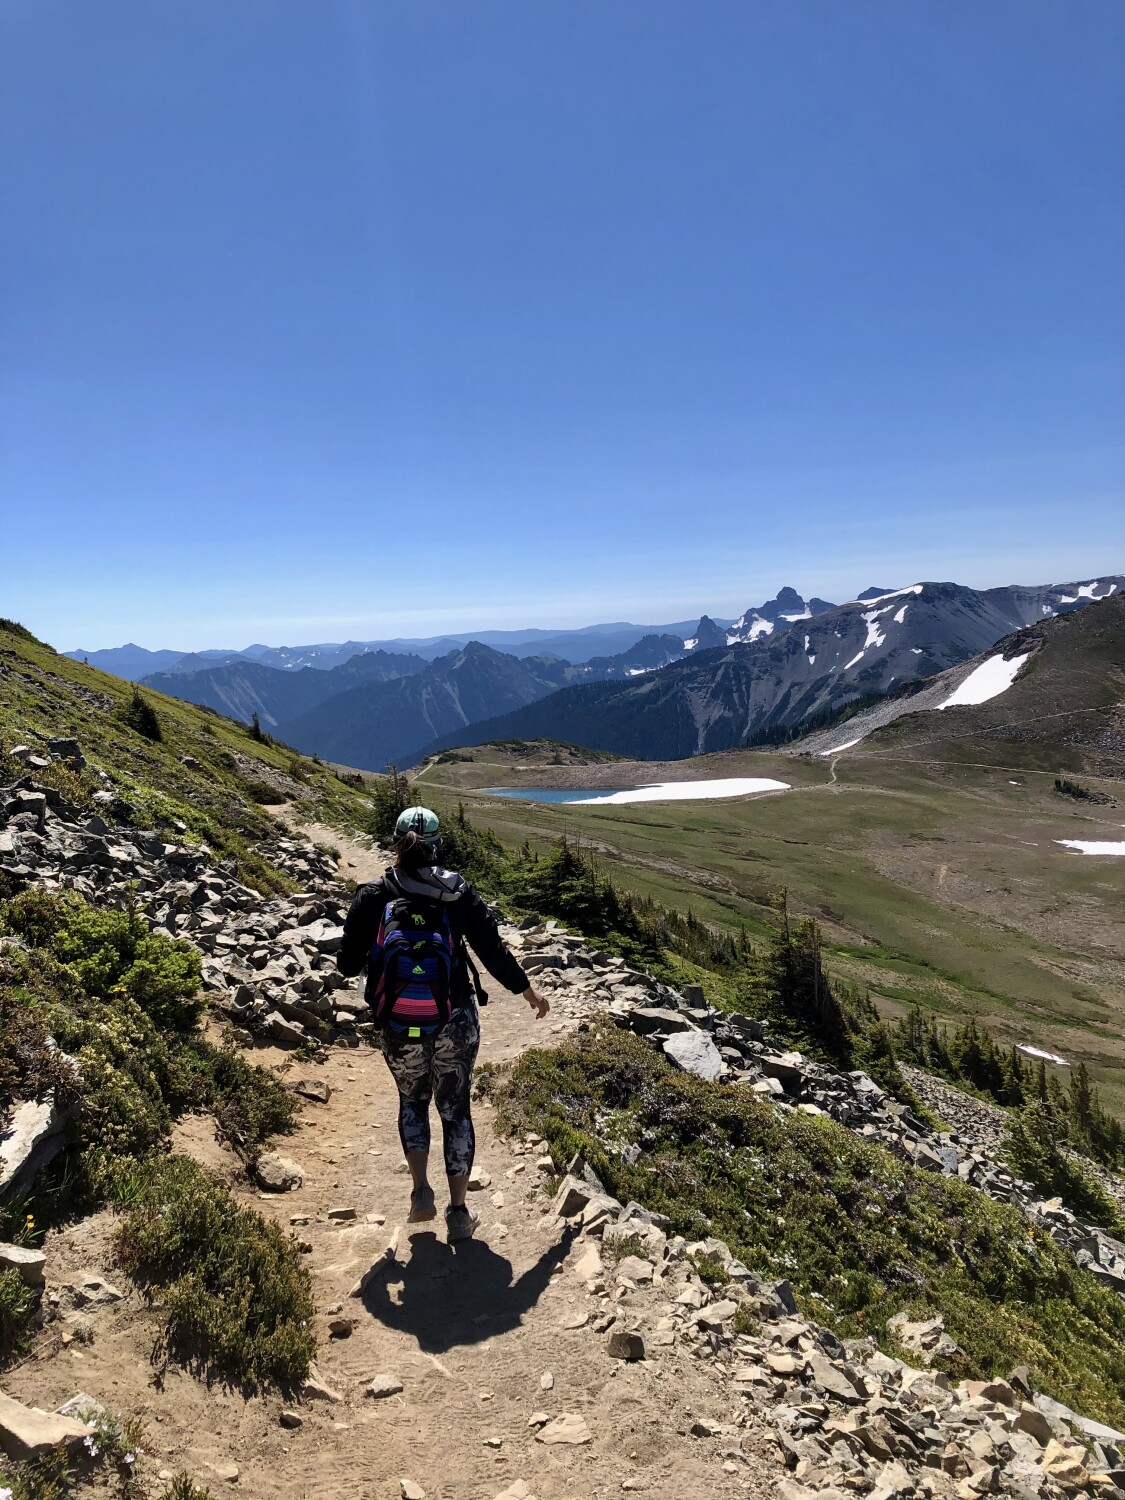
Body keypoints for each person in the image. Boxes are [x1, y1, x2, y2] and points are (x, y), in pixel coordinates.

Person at [337, 805, 549, 1242]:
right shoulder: (457, 892)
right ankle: (459, 1212)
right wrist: (526, 990)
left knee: (411, 1100)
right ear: (438, 846)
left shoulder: (373, 895)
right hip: (455, 1016)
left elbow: (347, 964)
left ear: (396, 843)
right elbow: (491, 950)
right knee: (455, 1110)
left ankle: (420, 1192)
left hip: (398, 1022)